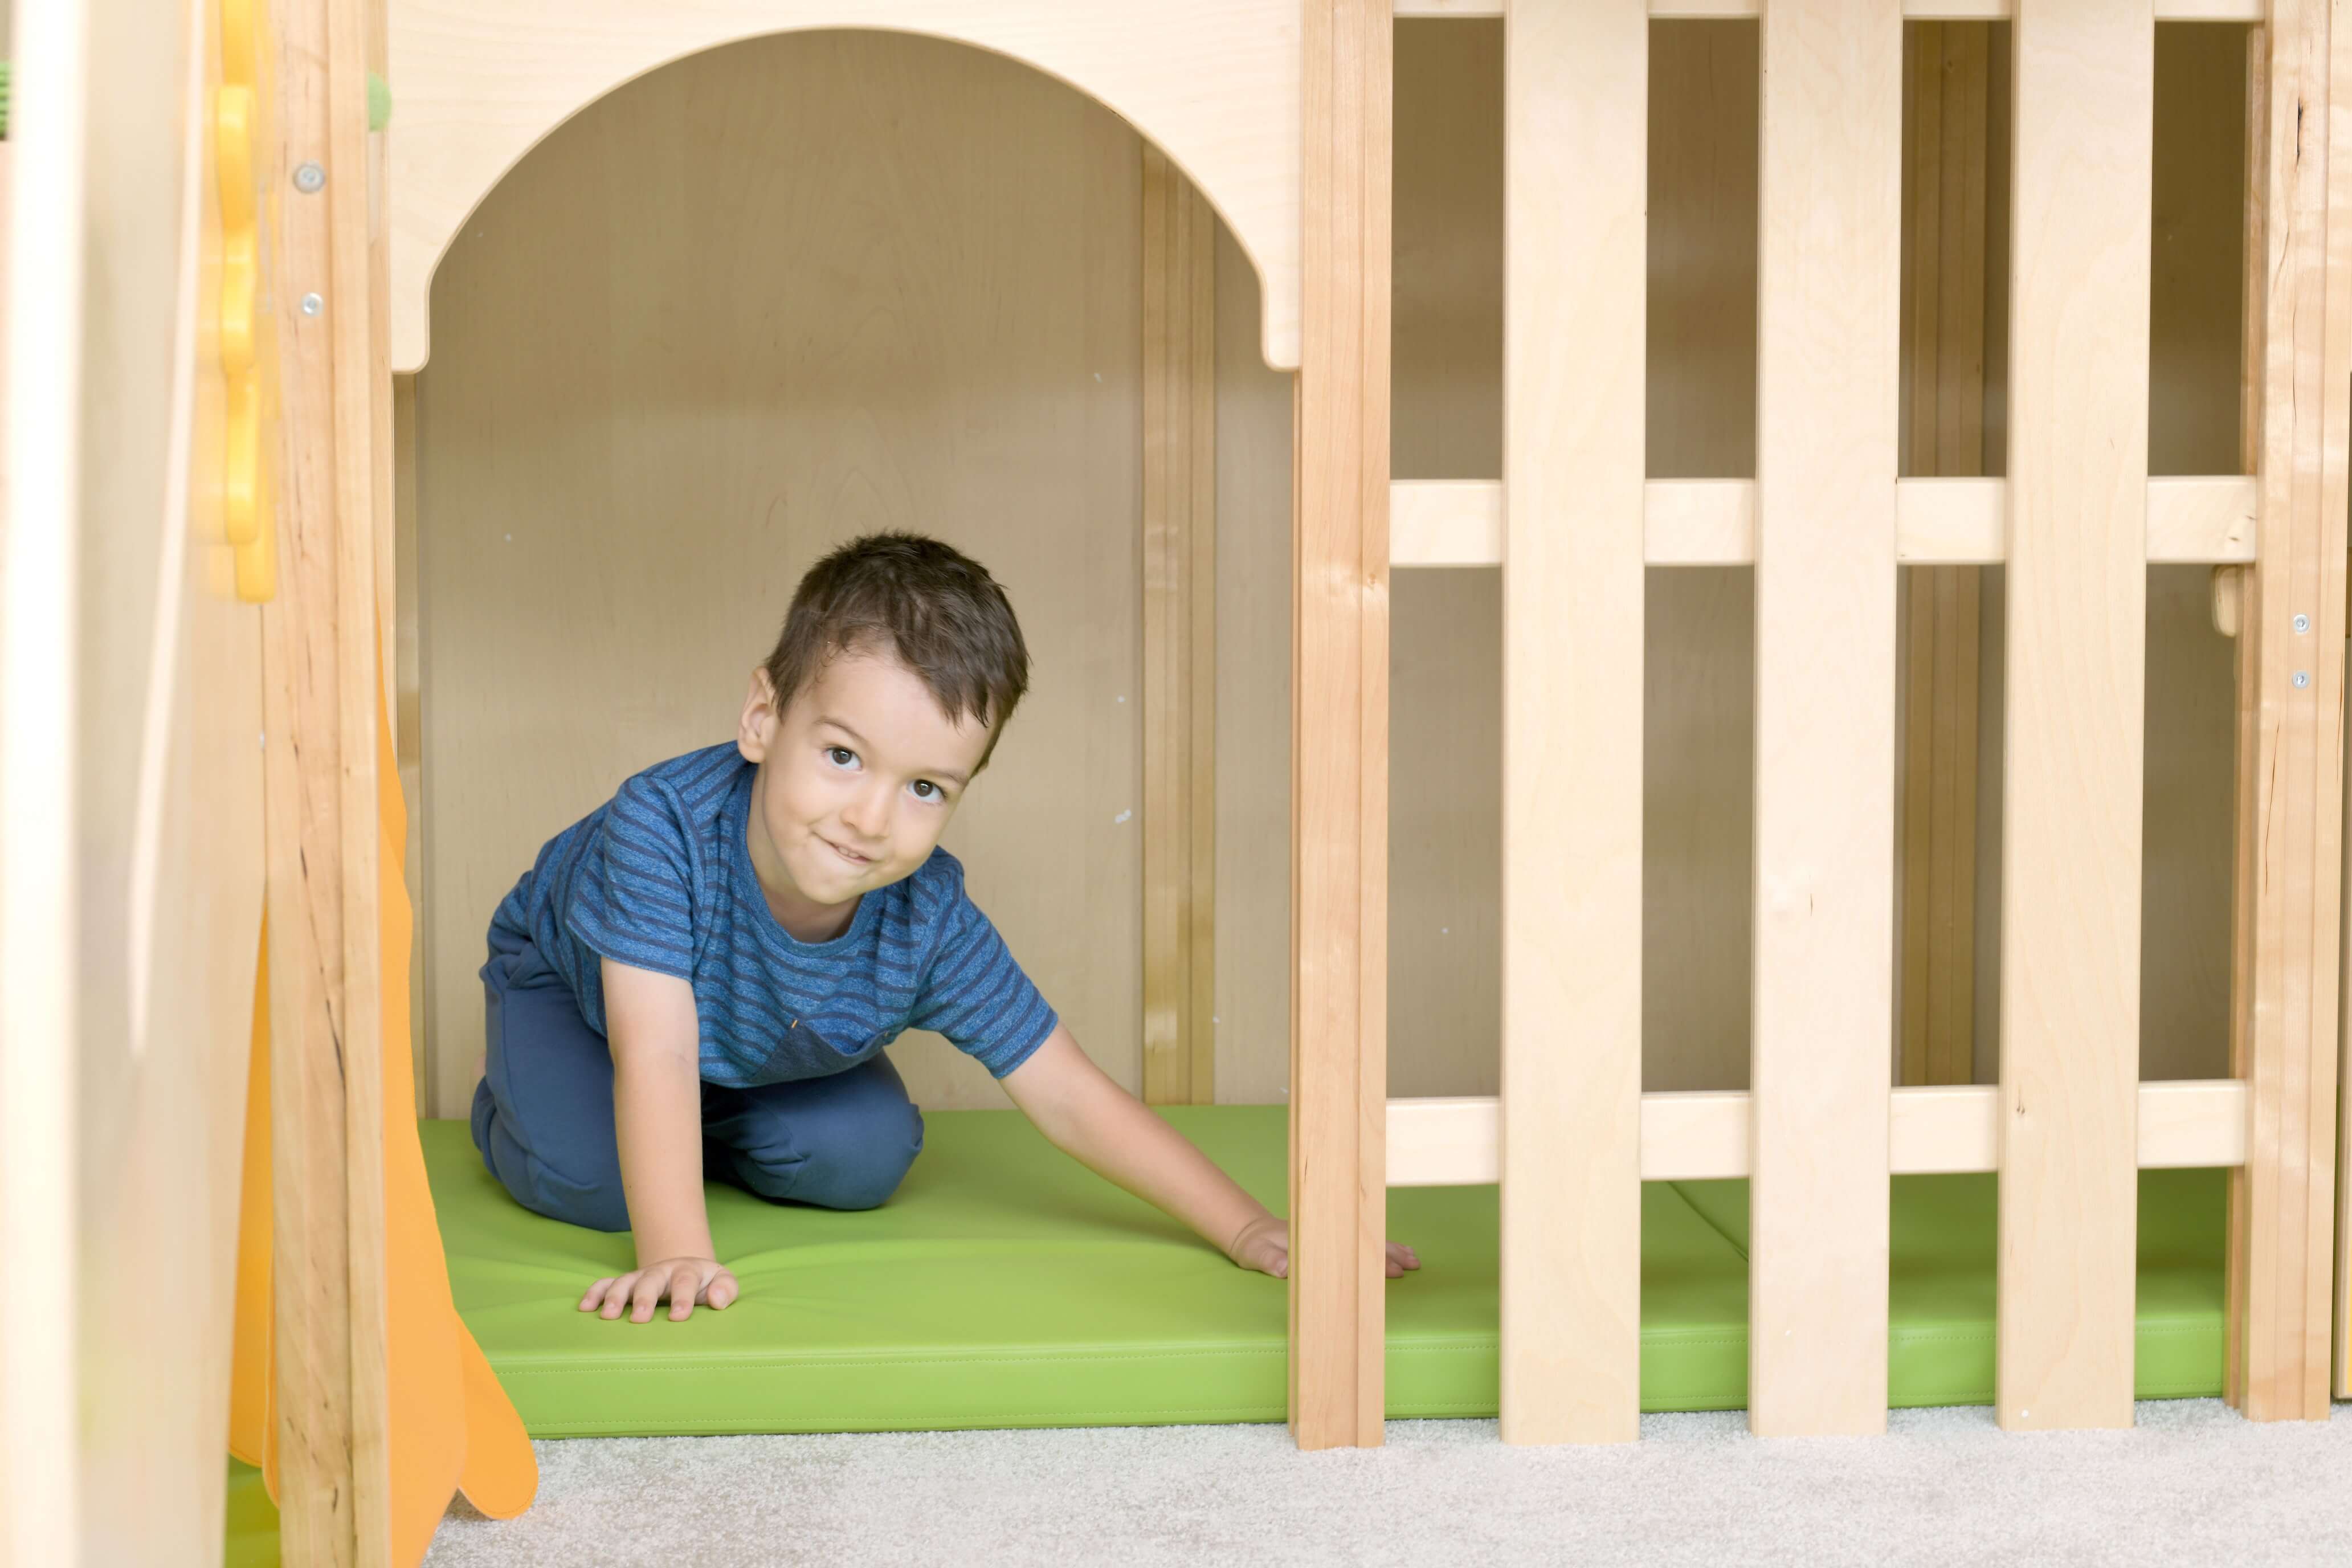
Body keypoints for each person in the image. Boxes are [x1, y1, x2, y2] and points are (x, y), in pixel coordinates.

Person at [470, 531, 1418, 1323]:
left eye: (924, 787)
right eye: (843, 755)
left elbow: (1070, 1095)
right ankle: (536, 1111)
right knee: (591, 1181)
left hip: (734, 1042)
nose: (871, 819)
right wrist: (676, 1252)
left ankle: (692, 1137)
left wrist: (1251, 1227)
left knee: (866, 1159)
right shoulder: (658, 829)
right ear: (763, 717)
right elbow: (660, 1053)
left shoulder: (927, 913)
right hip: (586, 1004)